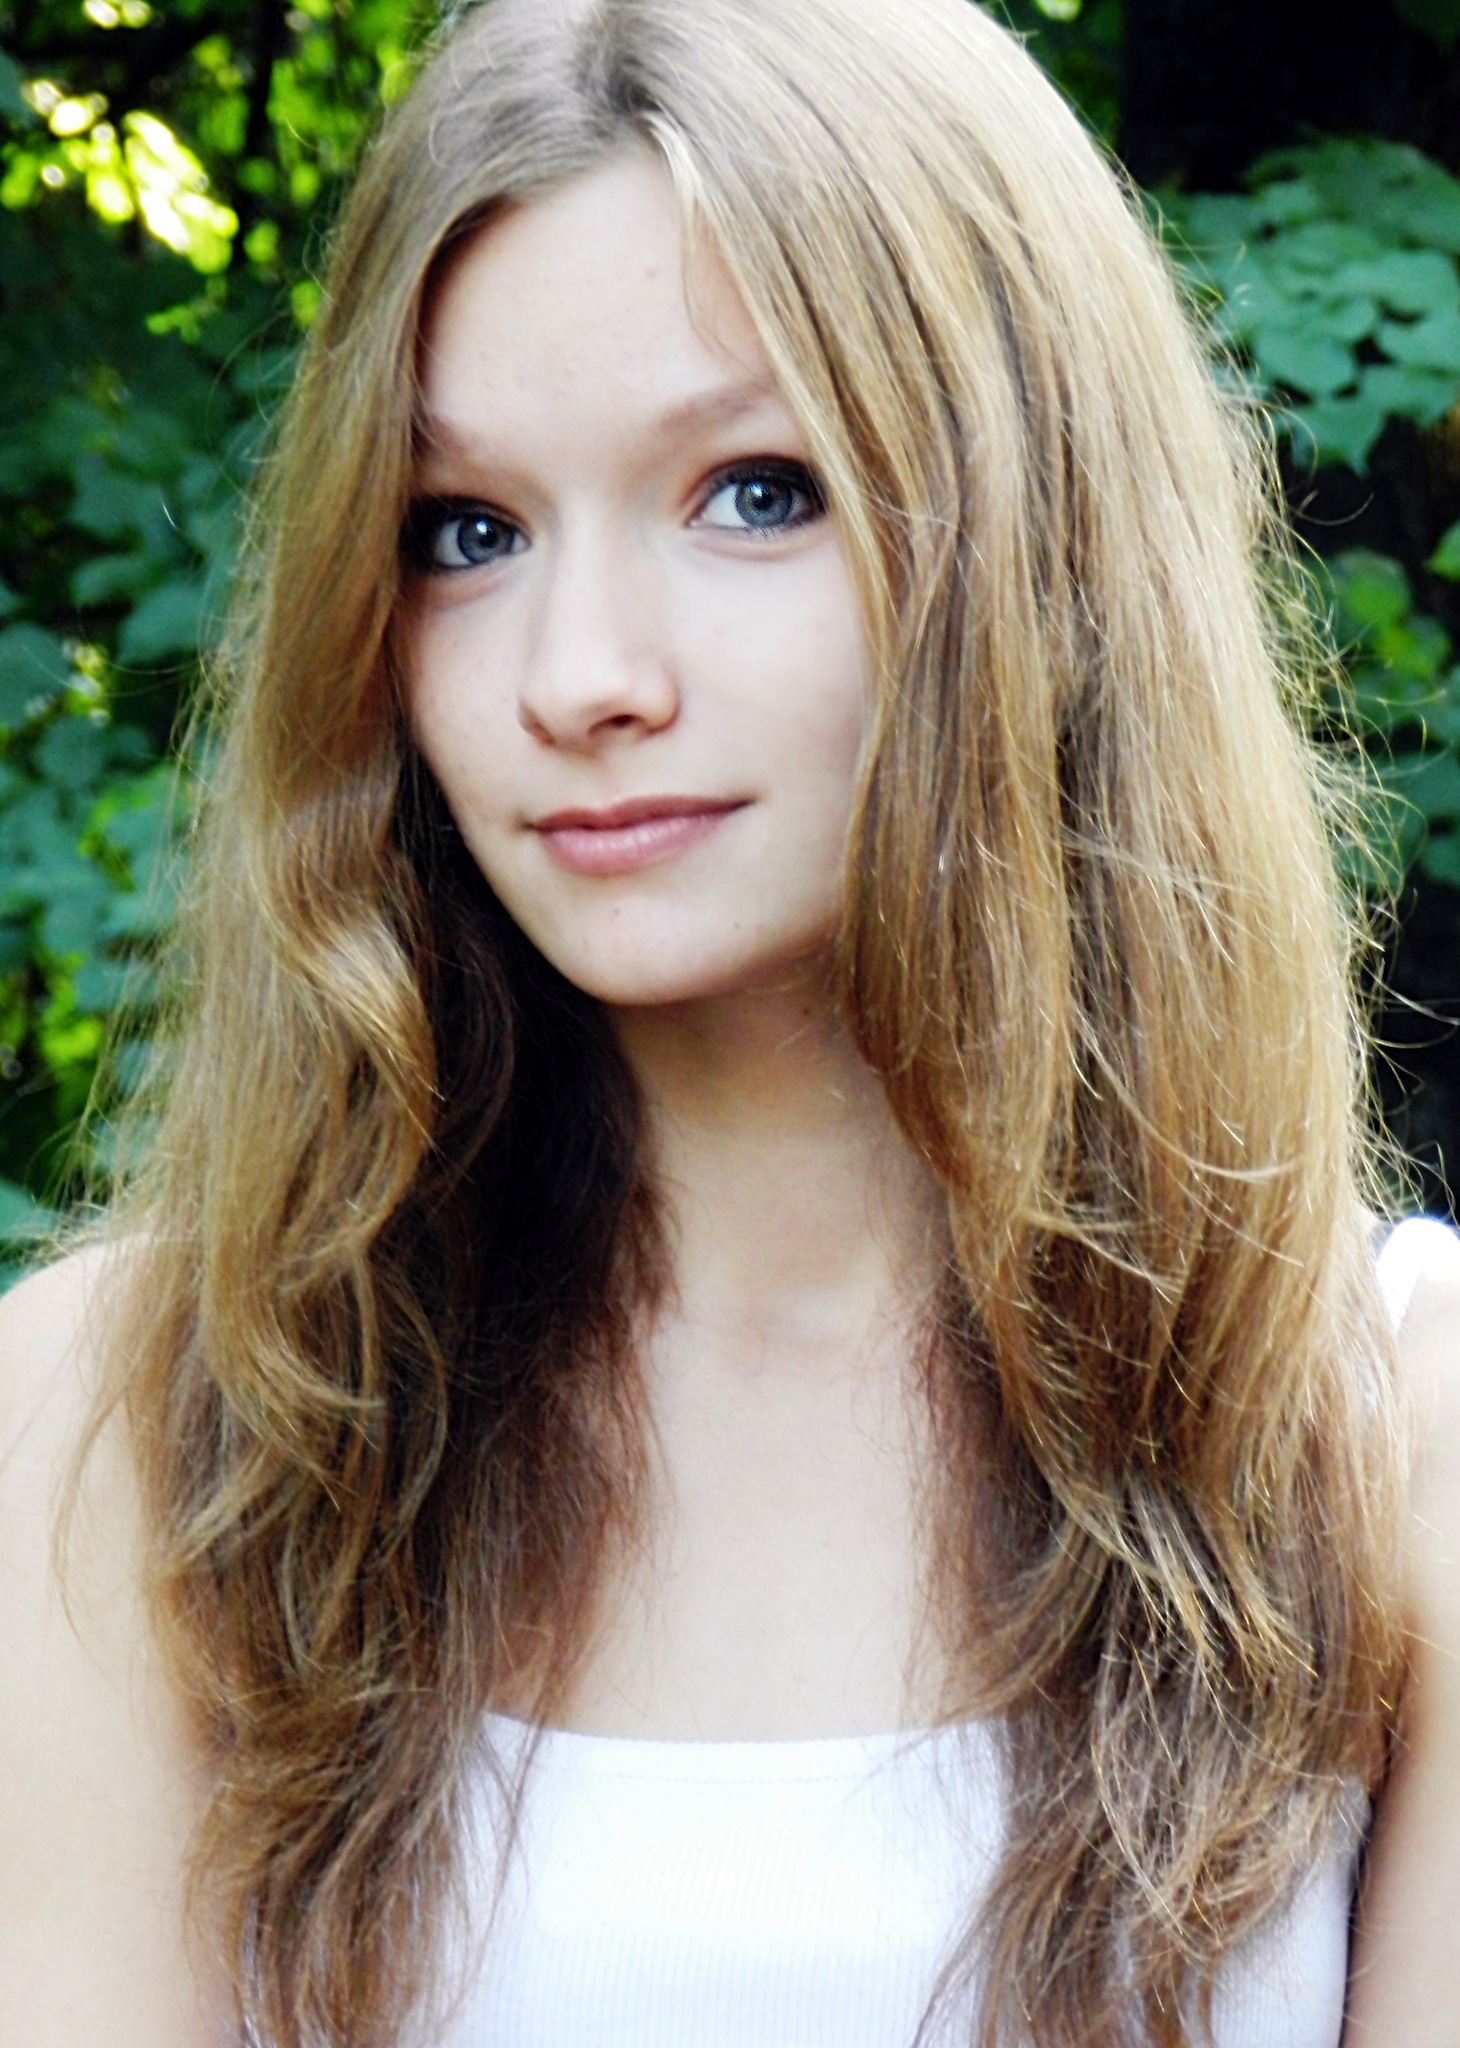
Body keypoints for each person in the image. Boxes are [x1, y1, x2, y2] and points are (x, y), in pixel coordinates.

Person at [2, 0, 1458, 2042]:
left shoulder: (1401, 1428)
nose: (581, 672)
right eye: (467, 532)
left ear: (1038, 535)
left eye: (754, 492)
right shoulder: (135, 1425)